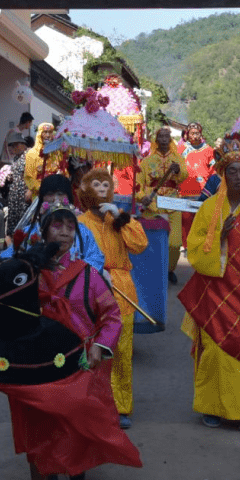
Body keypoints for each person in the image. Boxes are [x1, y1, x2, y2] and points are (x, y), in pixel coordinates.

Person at [28, 202, 124, 480]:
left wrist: (100, 346)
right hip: (36, 366)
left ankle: (77, 470)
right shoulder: (26, 272)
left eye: (70, 225)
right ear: (43, 232)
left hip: (78, 365)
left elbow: (111, 317)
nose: (65, 231)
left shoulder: (88, 276)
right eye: (57, 225)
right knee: (39, 432)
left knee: (75, 426)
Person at [178, 150, 240, 433]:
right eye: (232, 171)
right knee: (213, 352)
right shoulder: (209, 208)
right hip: (214, 291)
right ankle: (211, 408)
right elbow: (195, 249)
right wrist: (218, 237)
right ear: (223, 175)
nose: (237, 177)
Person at [76, 169, 147, 429]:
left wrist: (121, 217)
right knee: (92, 349)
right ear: (85, 190)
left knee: (121, 352)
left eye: (106, 183)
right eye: (96, 184)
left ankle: (120, 406)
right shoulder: (80, 222)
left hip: (123, 291)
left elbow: (140, 245)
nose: (102, 188)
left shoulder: (118, 218)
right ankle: (92, 403)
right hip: (91, 290)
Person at [136, 126, 188, 283]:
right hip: (153, 206)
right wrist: (142, 197)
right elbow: (138, 184)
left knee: (175, 243)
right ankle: (153, 271)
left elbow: (184, 175)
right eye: (162, 136)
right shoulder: (146, 161)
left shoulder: (178, 158)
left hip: (173, 203)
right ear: (156, 140)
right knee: (153, 241)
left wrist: (178, 170)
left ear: (170, 139)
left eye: (167, 136)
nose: (165, 139)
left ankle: (169, 269)